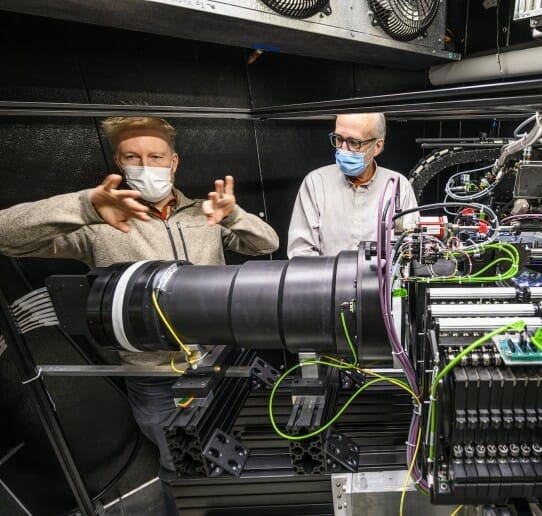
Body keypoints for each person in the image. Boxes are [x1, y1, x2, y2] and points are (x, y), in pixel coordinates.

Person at [0, 116, 279, 514]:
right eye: (133, 157)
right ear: (118, 162)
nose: (146, 166)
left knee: (231, 448)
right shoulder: (98, 224)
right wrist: (84, 207)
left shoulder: (205, 214)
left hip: (219, 365)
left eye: (155, 156)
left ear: (174, 162)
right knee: (180, 464)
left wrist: (233, 216)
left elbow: (265, 243)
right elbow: (5, 234)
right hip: (154, 378)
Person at [287, 113, 418, 258]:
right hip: (326, 280)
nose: (343, 149)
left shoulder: (398, 186)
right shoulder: (316, 183)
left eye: (354, 142)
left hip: (381, 280)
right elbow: (300, 254)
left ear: (377, 146)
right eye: (338, 139)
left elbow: (409, 250)